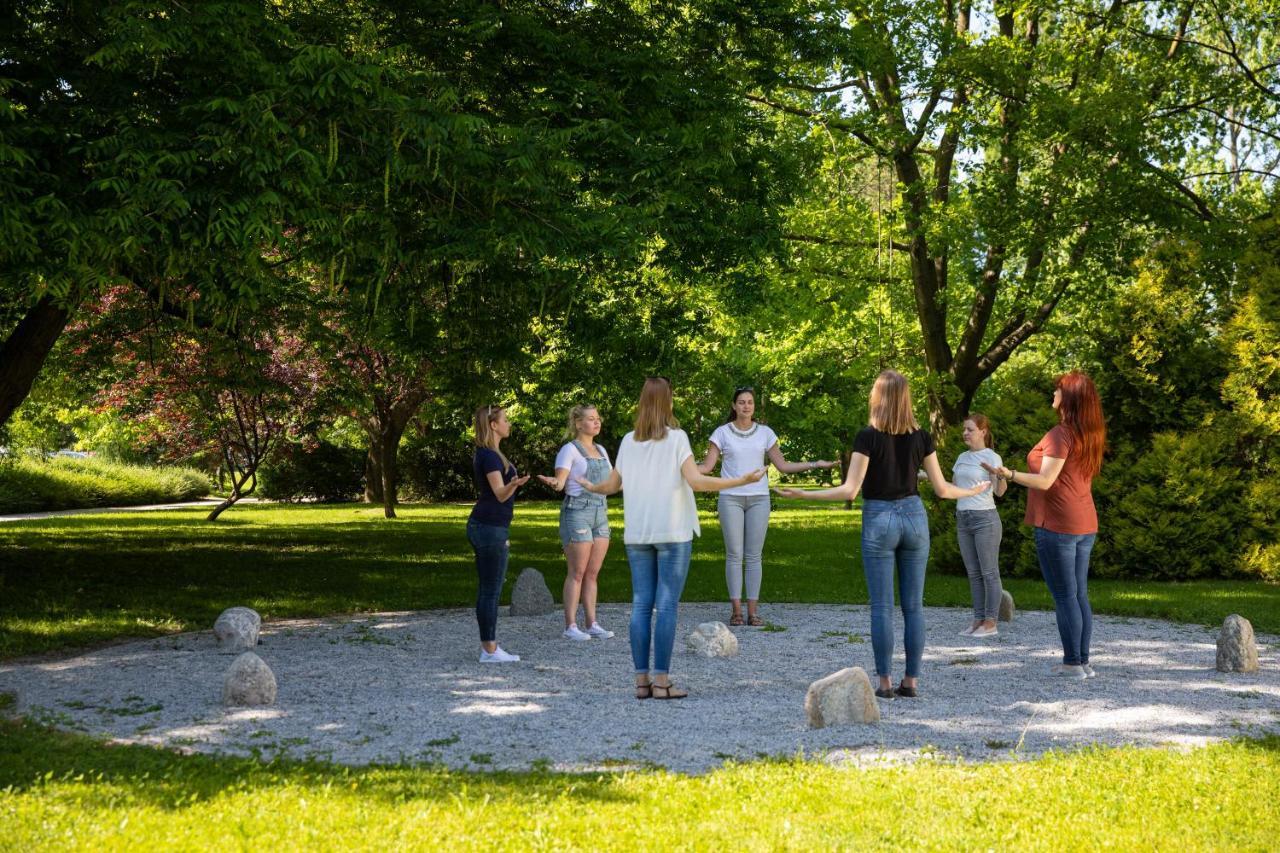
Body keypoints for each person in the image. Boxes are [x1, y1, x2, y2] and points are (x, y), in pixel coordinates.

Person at [775, 370, 988, 700]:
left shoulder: (867, 437)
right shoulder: (922, 437)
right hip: (915, 517)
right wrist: (971, 490)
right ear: (906, 398)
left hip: (879, 518)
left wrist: (803, 495)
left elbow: (849, 490)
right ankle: (912, 681)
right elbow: (943, 490)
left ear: (878, 397)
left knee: (882, 607)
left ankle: (886, 683)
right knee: (914, 607)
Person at [579, 378, 765, 700]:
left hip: (638, 534)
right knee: (665, 606)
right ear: (667, 403)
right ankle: (662, 682)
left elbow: (612, 485)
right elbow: (697, 481)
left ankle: (641, 682)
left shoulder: (627, 441)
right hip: (674, 533)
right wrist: (741, 480)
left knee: (641, 604)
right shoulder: (677, 438)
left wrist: (592, 487)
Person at [983, 371, 1105, 680]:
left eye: (1058, 391)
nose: (1053, 394)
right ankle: (1083, 662)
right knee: (1079, 595)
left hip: (1058, 524)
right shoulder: (1089, 433)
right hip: (1084, 523)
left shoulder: (1060, 434)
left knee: (1066, 596)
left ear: (1070, 398)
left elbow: (1045, 480)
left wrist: (1008, 474)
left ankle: (1072, 664)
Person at [699, 386, 835, 627]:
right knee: (734, 554)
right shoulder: (721, 433)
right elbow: (707, 467)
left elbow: (782, 465)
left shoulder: (765, 433)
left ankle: (753, 612)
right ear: (734, 406)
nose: (746, 406)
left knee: (753, 556)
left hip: (759, 499)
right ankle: (736, 612)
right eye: (741, 402)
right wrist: (679, 464)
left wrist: (816, 463)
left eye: (750, 402)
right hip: (730, 497)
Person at [538, 404, 616, 642]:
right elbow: (561, 482)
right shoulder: (569, 450)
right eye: (591, 419)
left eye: (598, 418)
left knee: (593, 573)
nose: (597, 422)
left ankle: (592, 623)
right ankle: (570, 625)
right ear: (578, 423)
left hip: (600, 513)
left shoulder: (601, 450)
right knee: (578, 572)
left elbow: (612, 484)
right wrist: (554, 482)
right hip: (577, 512)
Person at [467, 405, 531, 663]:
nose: (509, 423)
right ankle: (490, 650)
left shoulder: (491, 454)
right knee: (490, 590)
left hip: (489, 525)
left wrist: (512, 484)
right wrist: (514, 484)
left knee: (489, 588)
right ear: (493, 425)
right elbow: (499, 493)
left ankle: (489, 648)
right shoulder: (490, 457)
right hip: (489, 526)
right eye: (505, 420)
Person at [954, 414, 1007, 638]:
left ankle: (990, 623)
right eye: (964, 429)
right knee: (974, 573)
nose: (965, 433)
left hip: (985, 519)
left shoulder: (992, 457)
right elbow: (956, 488)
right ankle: (977, 620)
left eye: (970, 429)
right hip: (963, 519)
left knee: (989, 572)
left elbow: (1000, 491)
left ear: (983, 432)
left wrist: (999, 476)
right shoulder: (961, 458)